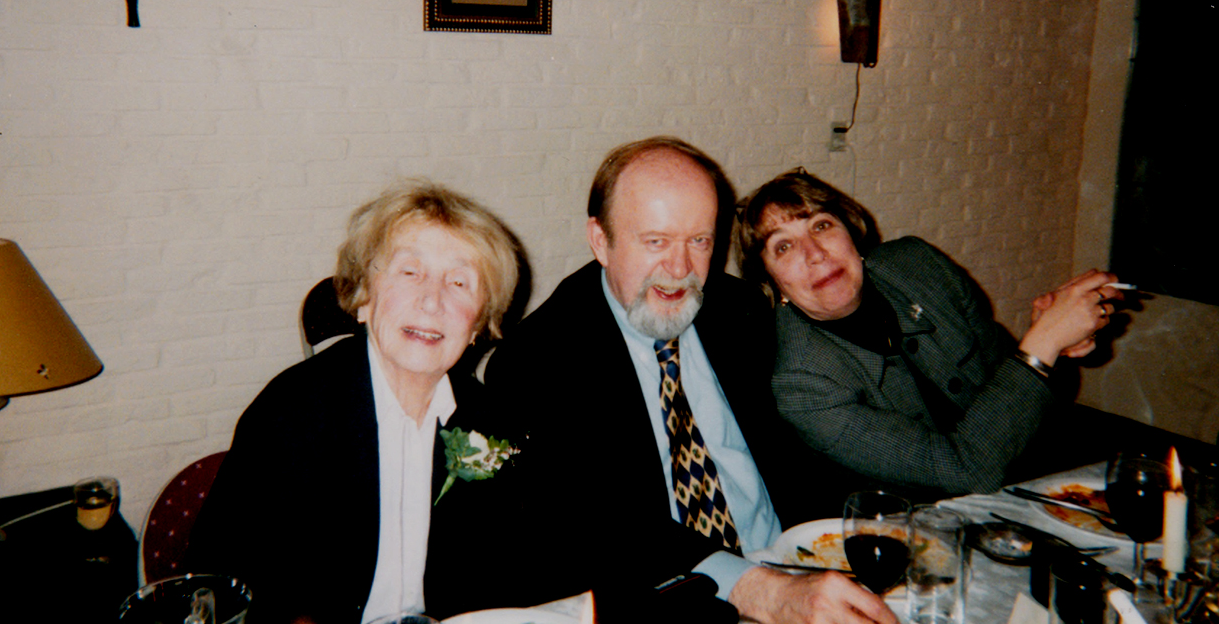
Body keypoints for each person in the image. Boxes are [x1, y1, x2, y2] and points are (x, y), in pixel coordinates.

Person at [477, 138, 895, 624]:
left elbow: (799, 450)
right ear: (601, 240)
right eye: (655, 242)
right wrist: (753, 587)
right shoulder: (538, 358)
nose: (680, 270)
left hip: (797, 568)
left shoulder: (741, 311)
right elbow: (595, 519)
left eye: (699, 241)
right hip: (671, 597)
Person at [186, 181, 522, 624]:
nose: (432, 300)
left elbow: (510, 569)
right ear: (363, 297)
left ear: (478, 324)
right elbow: (223, 578)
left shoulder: (491, 424)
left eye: (459, 282)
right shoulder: (291, 415)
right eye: (410, 272)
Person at [734, 166, 1126, 498]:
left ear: (851, 233)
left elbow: (1030, 401)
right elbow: (965, 471)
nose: (815, 253)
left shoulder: (920, 267)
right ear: (771, 283)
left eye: (821, 225)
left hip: (1026, 486)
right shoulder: (801, 384)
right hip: (912, 531)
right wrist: (1043, 345)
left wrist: (1056, 342)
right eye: (783, 247)